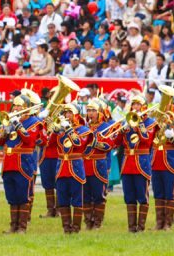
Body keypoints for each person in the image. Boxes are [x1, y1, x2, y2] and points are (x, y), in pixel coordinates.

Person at [0, 94, 41, 234]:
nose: (16, 108)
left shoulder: (34, 122)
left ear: (26, 108)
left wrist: (17, 124)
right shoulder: (10, 121)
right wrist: (4, 131)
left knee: (22, 194)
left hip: (23, 161)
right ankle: (13, 226)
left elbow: (29, 140)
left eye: (19, 106)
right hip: (9, 162)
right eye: (15, 105)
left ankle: (22, 227)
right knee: (11, 195)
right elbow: (0, 143)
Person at [118, 95, 157, 233]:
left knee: (142, 196)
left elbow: (147, 140)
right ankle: (131, 228)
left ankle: (140, 227)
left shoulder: (150, 122)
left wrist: (139, 124)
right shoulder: (127, 121)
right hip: (128, 163)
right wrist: (121, 130)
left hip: (141, 163)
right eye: (133, 104)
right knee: (129, 196)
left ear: (143, 107)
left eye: (138, 105)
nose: (135, 107)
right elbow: (116, 143)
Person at [55, 104, 91, 234]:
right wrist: (54, 130)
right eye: (65, 113)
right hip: (62, 168)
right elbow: (49, 144)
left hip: (75, 167)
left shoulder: (84, 130)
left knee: (77, 199)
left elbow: (78, 143)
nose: (67, 116)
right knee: (62, 199)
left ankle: (75, 229)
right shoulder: (61, 131)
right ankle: (66, 229)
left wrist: (69, 129)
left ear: (76, 115)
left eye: (70, 113)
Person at [83, 99, 115, 230]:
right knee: (85, 194)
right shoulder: (85, 127)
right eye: (89, 110)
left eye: (93, 111)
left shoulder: (106, 127)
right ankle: (88, 222)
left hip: (99, 163)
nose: (90, 113)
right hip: (85, 163)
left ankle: (97, 223)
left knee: (98, 194)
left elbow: (110, 145)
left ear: (99, 112)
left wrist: (96, 143)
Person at [151, 110, 174, 231]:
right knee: (158, 193)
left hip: (169, 162)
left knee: (169, 194)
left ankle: (168, 224)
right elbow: (152, 140)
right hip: (156, 162)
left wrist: (173, 136)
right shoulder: (158, 122)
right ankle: (159, 223)